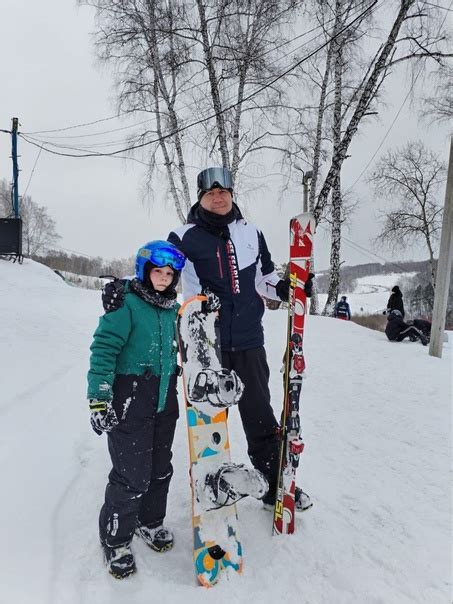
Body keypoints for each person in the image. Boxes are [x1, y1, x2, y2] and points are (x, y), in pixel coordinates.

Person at [102, 166, 314, 514]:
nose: (218, 197)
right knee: (209, 422)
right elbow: (159, 273)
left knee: (260, 417)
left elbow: (265, 279)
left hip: (248, 341)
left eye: (223, 191)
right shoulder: (184, 236)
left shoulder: (252, 233)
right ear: (200, 197)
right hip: (205, 345)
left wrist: (291, 288)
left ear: (231, 194)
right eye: (210, 192)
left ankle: (275, 486)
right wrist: (123, 291)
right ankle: (214, 483)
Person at [87, 240, 186, 579]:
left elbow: (189, 345)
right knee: (131, 477)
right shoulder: (126, 303)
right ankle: (115, 540)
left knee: (160, 469)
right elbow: (103, 350)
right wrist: (100, 398)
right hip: (130, 401)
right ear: (145, 271)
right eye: (157, 271)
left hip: (164, 401)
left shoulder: (174, 309)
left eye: (169, 273)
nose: (163, 277)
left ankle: (150, 521)